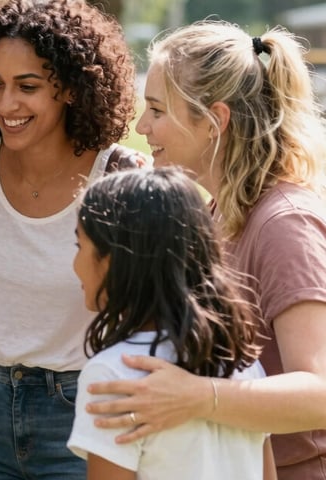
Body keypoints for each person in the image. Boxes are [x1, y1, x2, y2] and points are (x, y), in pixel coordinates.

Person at [84, 20, 326, 480]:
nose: (141, 126)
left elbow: (320, 394)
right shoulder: (216, 213)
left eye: (156, 109)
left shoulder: (284, 224)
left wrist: (197, 397)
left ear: (215, 120)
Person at [0, 0, 143, 478]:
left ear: (70, 88)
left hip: (83, 405)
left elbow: (142, 315)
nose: (6, 104)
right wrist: (10, 329)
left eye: (27, 86)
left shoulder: (118, 174)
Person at [67, 167, 274, 479]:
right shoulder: (242, 365)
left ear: (111, 261)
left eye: (79, 246)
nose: (74, 264)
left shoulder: (113, 375)